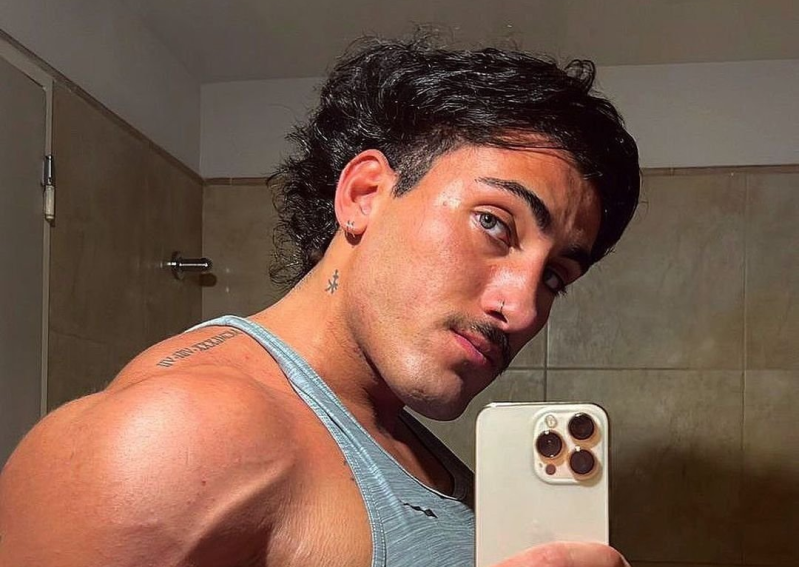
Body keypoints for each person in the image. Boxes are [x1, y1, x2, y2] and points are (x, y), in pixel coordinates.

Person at [0, 36, 640, 566]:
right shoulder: (180, 435)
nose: (523, 310)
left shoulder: (396, 433)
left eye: (555, 276)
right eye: (494, 224)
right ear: (365, 195)